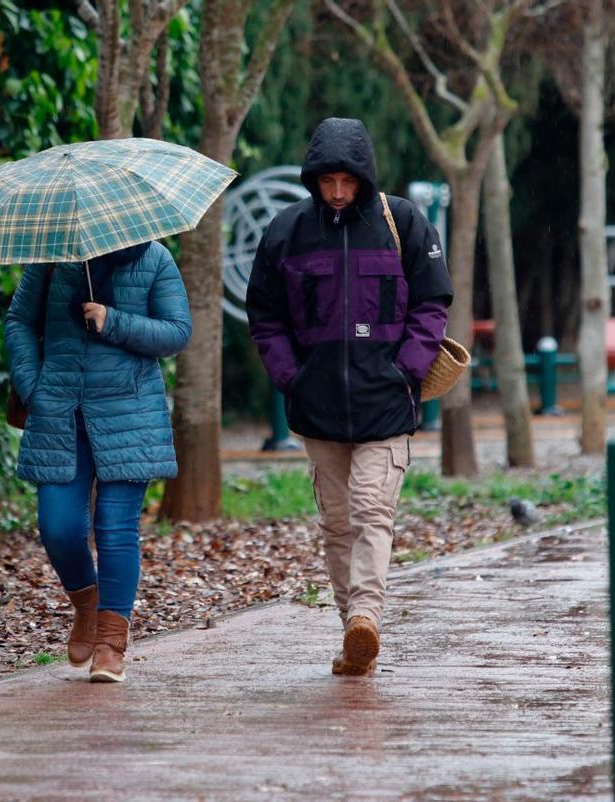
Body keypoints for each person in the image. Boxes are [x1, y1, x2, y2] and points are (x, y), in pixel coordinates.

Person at [245, 118, 453, 676]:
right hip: (318, 409)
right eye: (328, 181)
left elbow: (433, 304)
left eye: (347, 180)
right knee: (337, 524)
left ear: (364, 177)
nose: (337, 191)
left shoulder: (404, 223)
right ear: (315, 178)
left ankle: (366, 615)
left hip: (386, 403)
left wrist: (405, 370)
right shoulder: (286, 231)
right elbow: (264, 316)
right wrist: (292, 375)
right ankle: (352, 635)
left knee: (370, 509)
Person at [4, 240, 191, 683]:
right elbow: (19, 322)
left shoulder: (154, 259)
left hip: (130, 416)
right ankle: (86, 606)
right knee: (58, 527)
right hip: (61, 415)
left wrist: (113, 321)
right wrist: (34, 387)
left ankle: (110, 644)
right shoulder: (51, 256)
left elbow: (176, 331)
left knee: (115, 527)